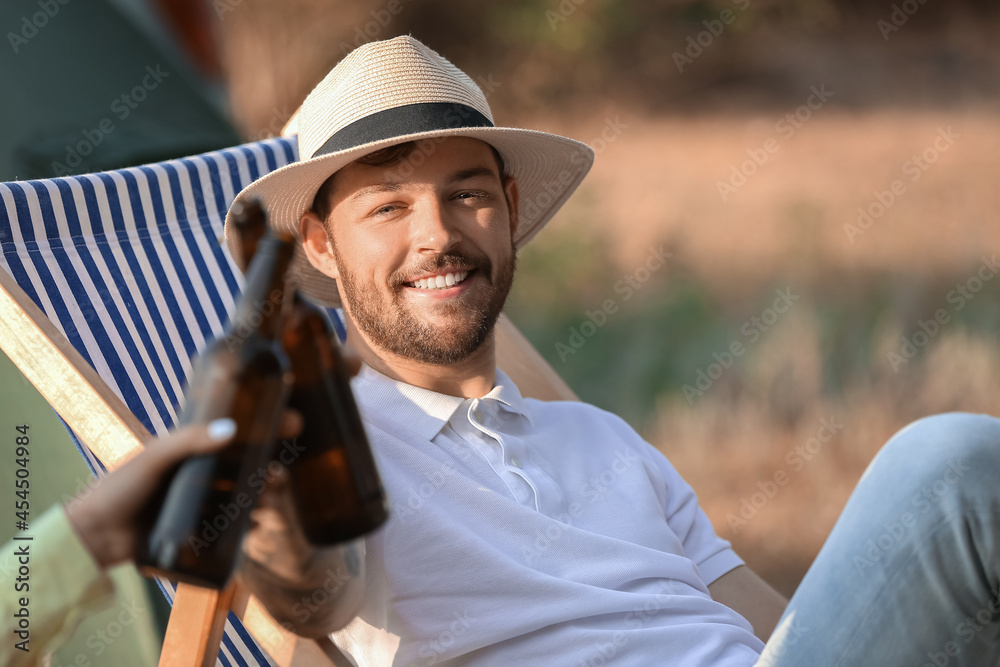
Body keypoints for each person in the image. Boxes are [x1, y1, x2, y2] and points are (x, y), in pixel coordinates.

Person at [227, 36, 1000, 666]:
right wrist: (286, 553)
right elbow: (315, 593)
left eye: (467, 194)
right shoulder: (324, 444)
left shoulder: (602, 439)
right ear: (321, 244)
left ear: (510, 208)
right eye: (388, 206)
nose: (437, 235)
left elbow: (785, 632)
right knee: (951, 461)